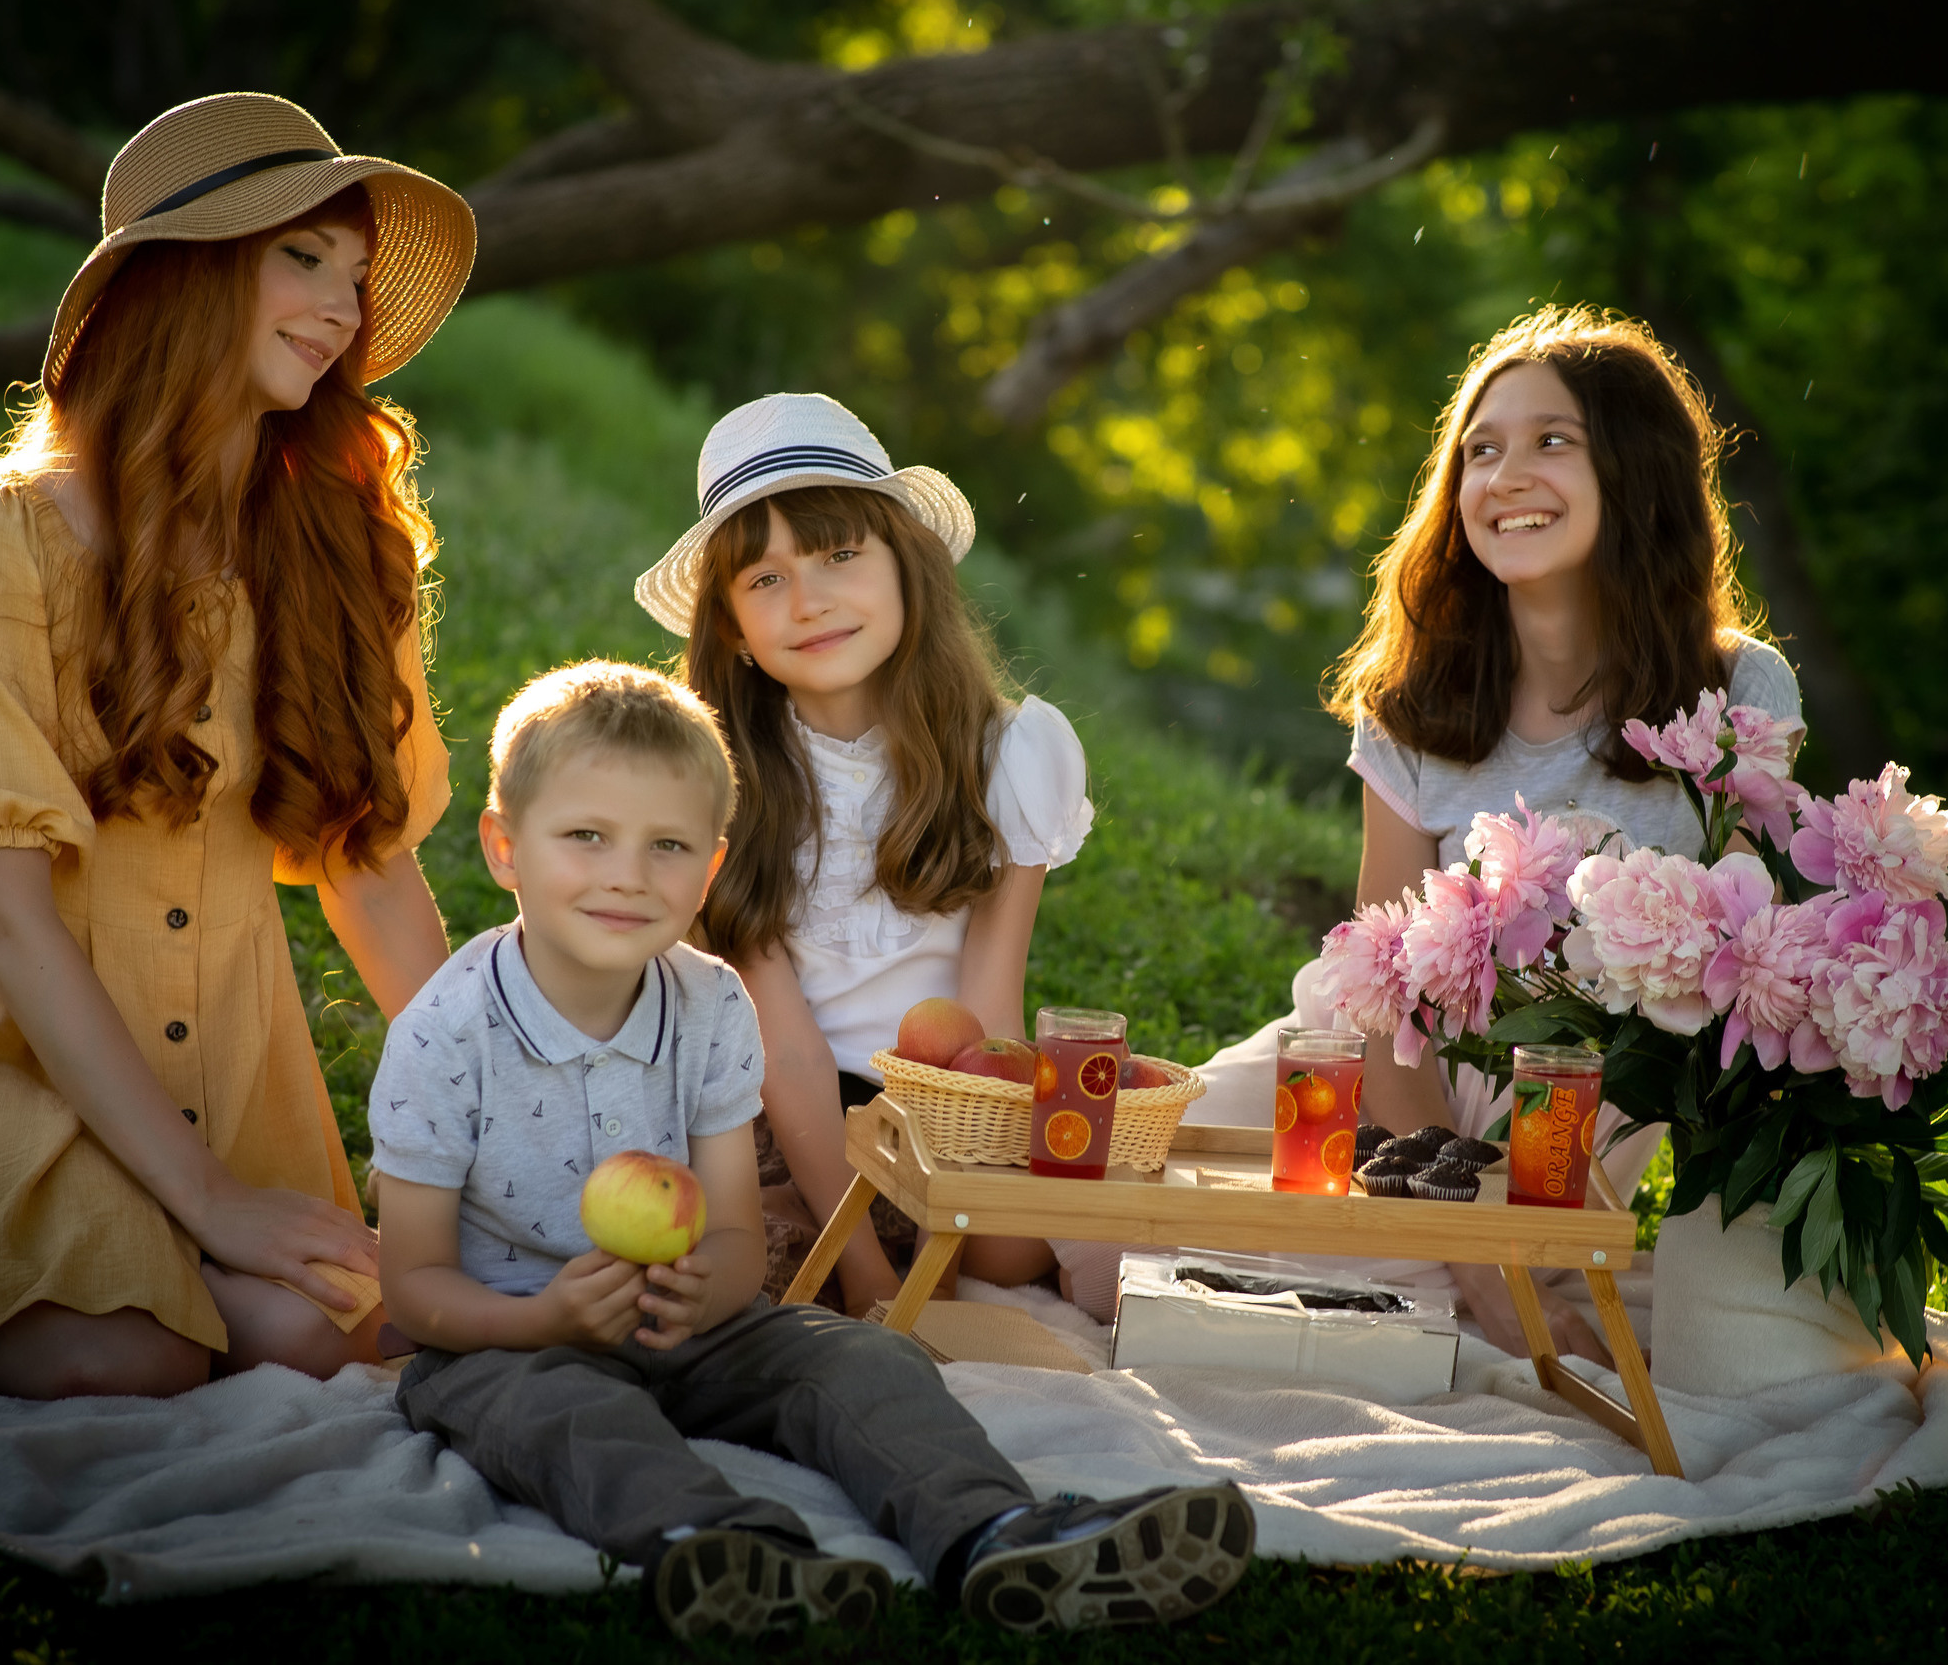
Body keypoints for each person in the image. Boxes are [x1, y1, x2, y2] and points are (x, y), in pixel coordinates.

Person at [0, 93, 478, 1399]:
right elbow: (9, 920)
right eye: (301, 257)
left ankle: (197, 1247)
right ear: (183, 279)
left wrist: (517, 1098)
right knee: (126, 1347)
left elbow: (365, 863)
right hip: (13, 1051)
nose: (344, 306)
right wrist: (207, 1200)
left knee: (317, 1337)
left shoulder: (336, 539)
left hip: (232, 1068)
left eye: (354, 275)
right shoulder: (11, 529)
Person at [372, 660, 1254, 1641]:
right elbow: (411, 1285)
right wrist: (543, 1319)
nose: (625, 874)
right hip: (500, 1341)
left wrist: (702, 1291)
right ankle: (724, 1551)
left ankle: (993, 1530)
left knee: (860, 1361)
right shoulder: (445, 1034)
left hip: (686, 1325)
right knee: (570, 1419)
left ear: (709, 870)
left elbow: (739, 1238)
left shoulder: (707, 1004)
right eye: (585, 837)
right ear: (505, 849)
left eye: (666, 846)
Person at [1075, 307, 1803, 1361]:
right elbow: (1378, 996)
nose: (1503, 475)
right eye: (1479, 450)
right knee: (1095, 1243)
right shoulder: (1414, 698)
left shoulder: (1741, 686)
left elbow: (1746, 972)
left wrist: (1509, 1248)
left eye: (1552, 440)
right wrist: (1474, 1254)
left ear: (1634, 471)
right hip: (1379, 1094)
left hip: (1562, 1130)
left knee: (1317, 1304)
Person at [632, 394, 1084, 1310]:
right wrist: (874, 1273)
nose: (810, 602)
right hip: (786, 1113)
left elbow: (989, 1005)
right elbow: (784, 1047)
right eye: (764, 580)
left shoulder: (1011, 753)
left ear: (908, 567)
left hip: (953, 1096)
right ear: (730, 627)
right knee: (764, 1263)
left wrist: (957, 1206)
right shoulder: (724, 778)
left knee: (1017, 1256)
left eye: (841, 554)